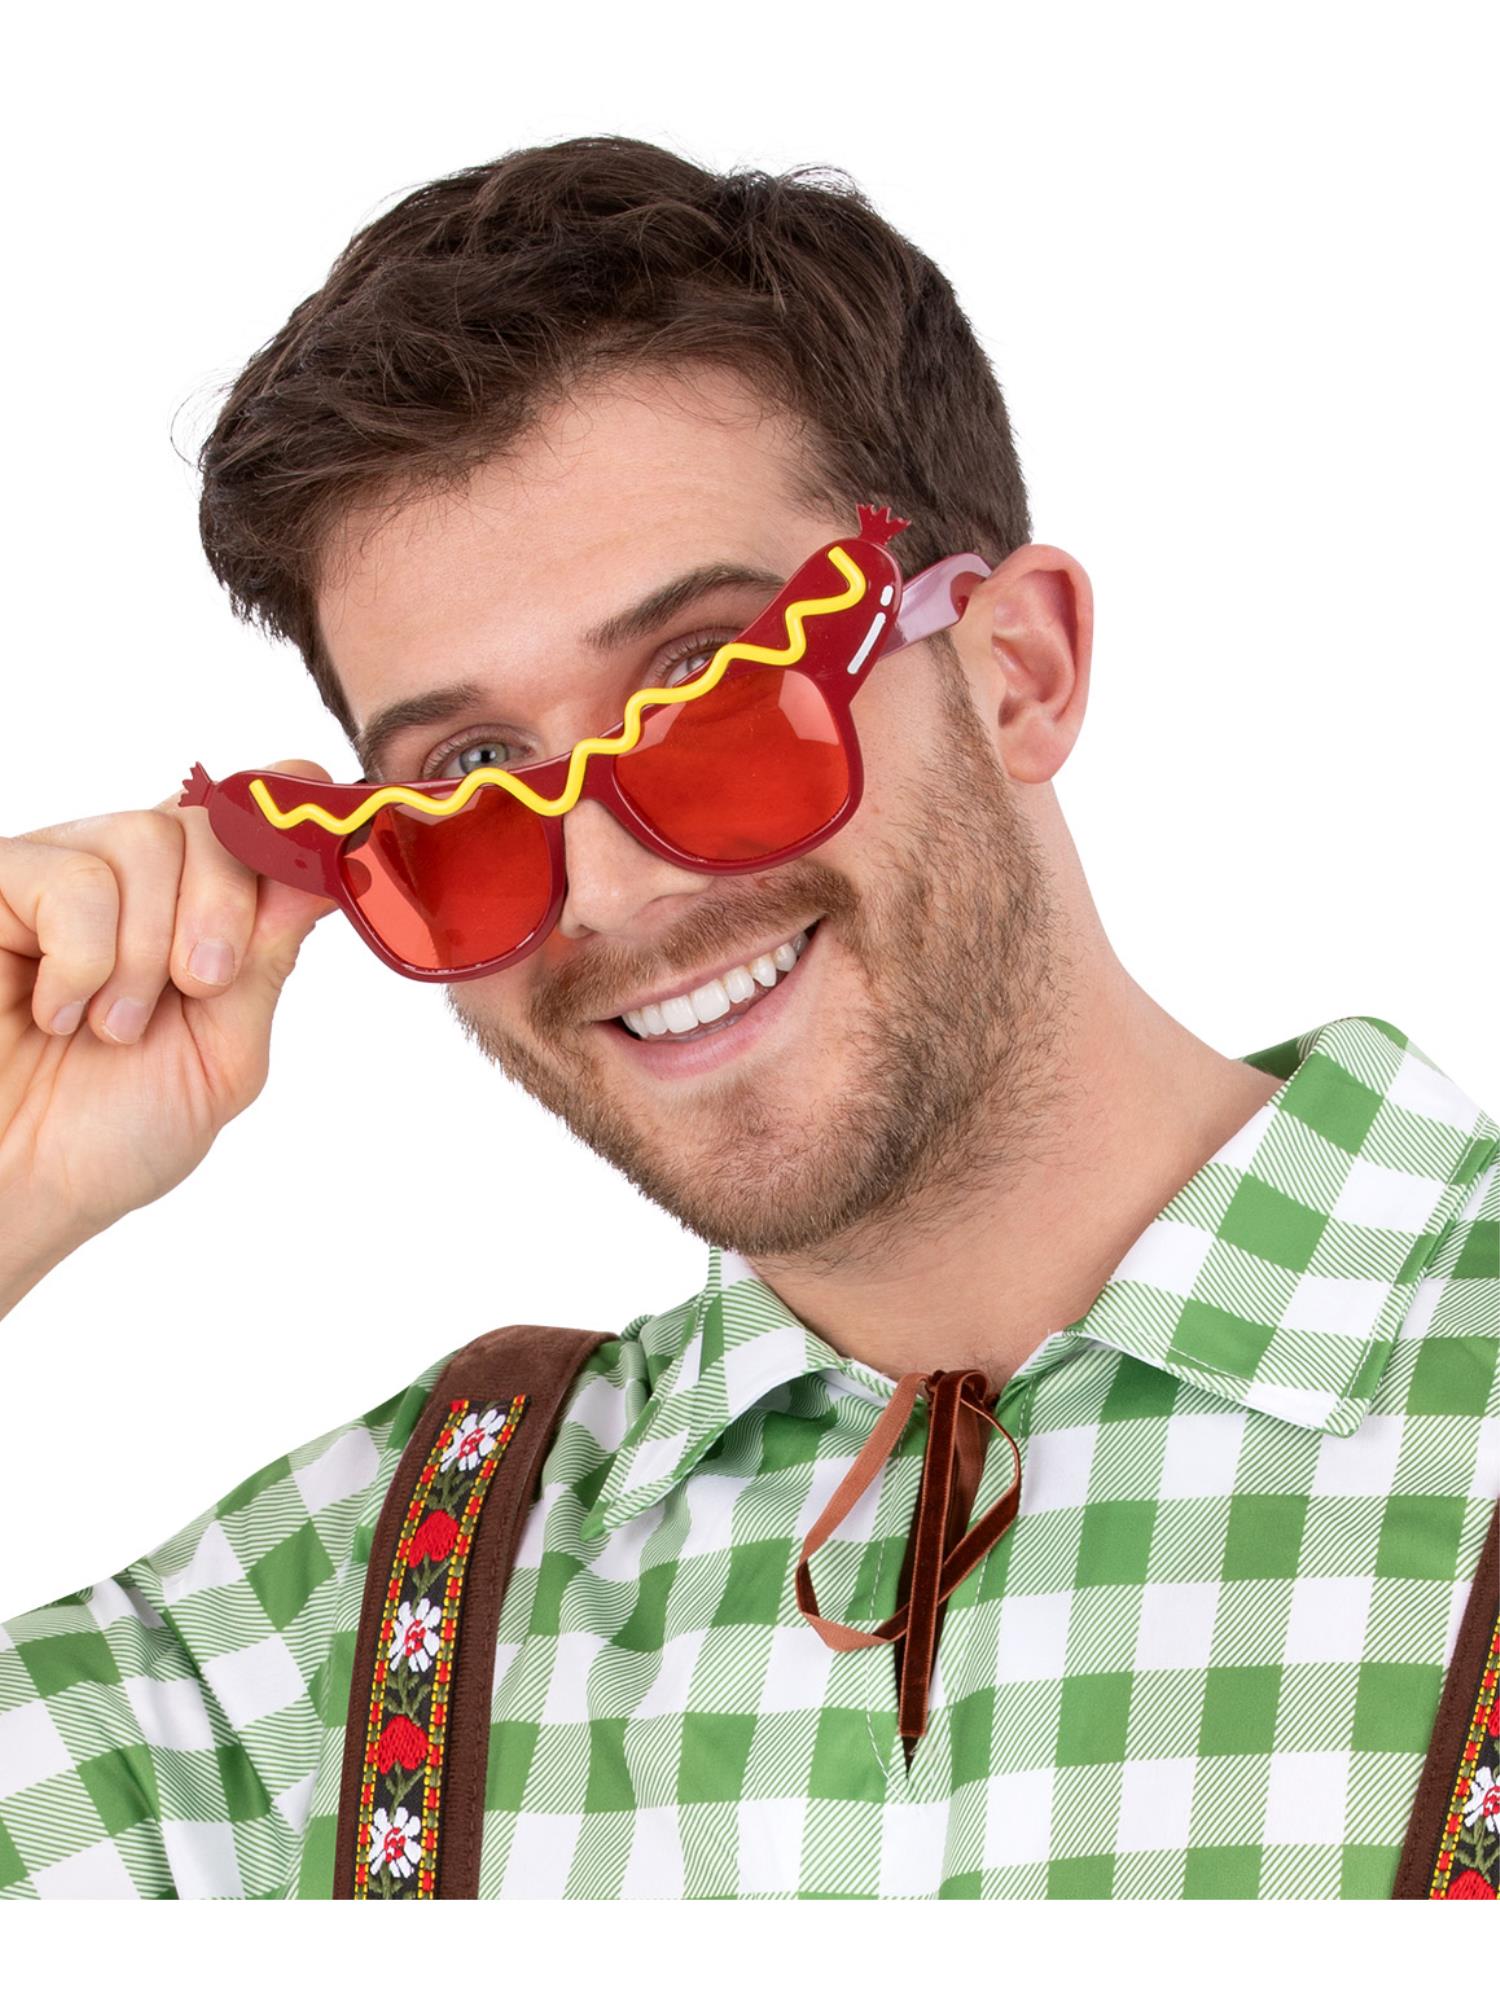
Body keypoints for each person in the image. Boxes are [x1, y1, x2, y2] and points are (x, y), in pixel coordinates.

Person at [0, 135, 1494, 1903]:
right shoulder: (343, 1646)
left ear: (1018, 672)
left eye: (710, 681)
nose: (607, 888)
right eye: (469, 780)